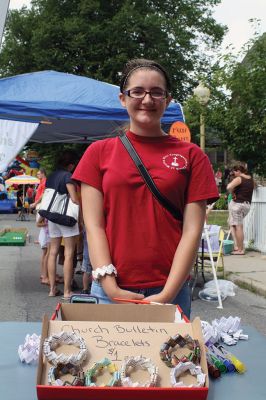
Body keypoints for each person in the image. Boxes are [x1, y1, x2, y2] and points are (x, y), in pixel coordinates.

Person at [73, 58, 219, 318]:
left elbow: (192, 230)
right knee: (109, 359)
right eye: (137, 91)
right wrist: (110, 286)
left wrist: (167, 294)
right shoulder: (98, 153)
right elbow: (93, 225)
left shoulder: (192, 155)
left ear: (168, 99)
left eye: (156, 92)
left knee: (169, 360)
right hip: (111, 289)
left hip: (171, 290)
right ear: (122, 98)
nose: (147, 99)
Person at [46, 150, 80, 299]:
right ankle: (67, 291)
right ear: (71, 165)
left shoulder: (51, 175)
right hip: (66, 218)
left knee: (52, 252)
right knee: (69, 253)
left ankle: (52, 289)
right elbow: (73, 198)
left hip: (52, 217)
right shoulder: (68, 176)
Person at [227, 164, 255, 255]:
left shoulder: (239, 178)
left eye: (234, 172)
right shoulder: (250, 179)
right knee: (233, 224)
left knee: (238, 227)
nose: (234, 174)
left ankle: (240, 249)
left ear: (238, 171)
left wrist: (232, 192)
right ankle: (237, 246)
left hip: (238, 205)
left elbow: (228, 187)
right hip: (246, 205)